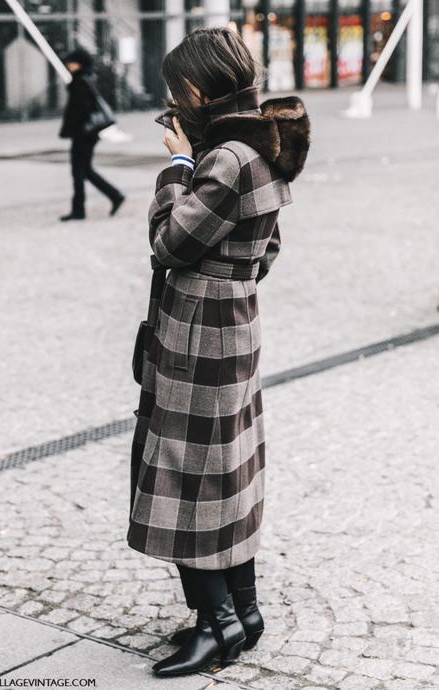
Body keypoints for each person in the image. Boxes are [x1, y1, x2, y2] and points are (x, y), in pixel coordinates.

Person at [127, 27, 310, 677]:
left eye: (177, 92)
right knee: (226, 471)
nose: (173, 104)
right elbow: (269, 251)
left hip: (199, 331)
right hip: (236, 321)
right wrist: (230, 280)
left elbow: (169, 244)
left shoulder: (224, 158)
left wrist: (177, 165)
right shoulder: (263, 145)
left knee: (188, 477)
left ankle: (218, 627)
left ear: (198, 89)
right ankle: (244, 609)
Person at [59, 47, 124, 221]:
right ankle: (114, 195)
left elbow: (81, 110)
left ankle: (79, 210)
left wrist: (72, 127)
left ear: (78, 63)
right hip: (88, 133)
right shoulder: (86, 79)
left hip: (83, 134)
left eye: (71, 62)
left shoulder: (79, 82)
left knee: (78, 172)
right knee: (84, 170)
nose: (68, 65)